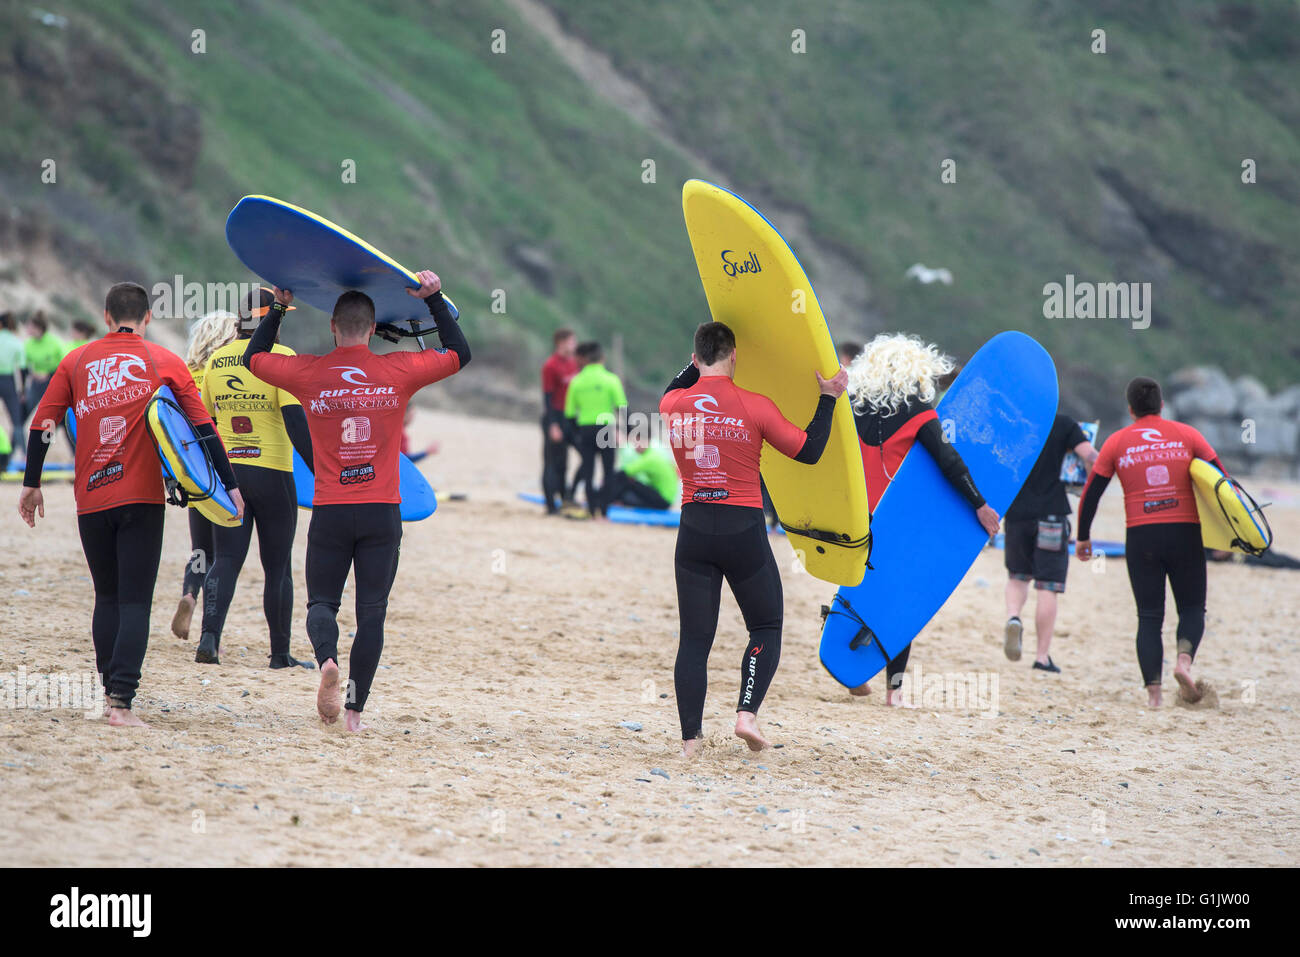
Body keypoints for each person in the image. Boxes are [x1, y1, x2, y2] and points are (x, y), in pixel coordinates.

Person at [244, 271, 469, 731]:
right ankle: (353, 712)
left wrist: (280, 308)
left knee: (321, 605)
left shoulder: (308, 372)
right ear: (371, 329)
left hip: (330, 510)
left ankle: (327, 659)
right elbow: (458, 354)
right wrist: (434, 299)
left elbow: (255, 358)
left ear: (333, 326)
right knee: (372, 615)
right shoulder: (397, 370)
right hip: (381, 512)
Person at [17, 282, 244, 728]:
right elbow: (201, 430)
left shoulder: (76, 360)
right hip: (141, 499)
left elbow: (42, 425)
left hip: (91, 499)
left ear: (105, 316)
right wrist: (228, 486)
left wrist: (32, 483)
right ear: (147, 318)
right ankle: (121, 703)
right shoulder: (164, 361)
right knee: (136, 601)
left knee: (108, 595)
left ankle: (108, 693)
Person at [662, 321, 847, 756]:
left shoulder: (671, 404)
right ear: (735, 356)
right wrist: (828, 397)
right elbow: (809, 449)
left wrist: (698, 361)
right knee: (766, 625)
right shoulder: (755, 406)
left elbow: (683, 377)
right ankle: (746, 714)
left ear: (694, 358)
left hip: (693, 530)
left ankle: (690, 742)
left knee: (694, 640)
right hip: (742, 528)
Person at [842, 333, 999, 703]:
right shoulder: (919, 414)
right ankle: (893, 691)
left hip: (856, 516)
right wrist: (979, 503)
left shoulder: (851, 409)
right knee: (902, 604)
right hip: (899, 520)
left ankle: (849, 668)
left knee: (856, 592)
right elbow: (948, 461)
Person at [1076, 377, 1223, 708]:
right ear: (1162, 405)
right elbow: (1223, 487)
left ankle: (1154, 696)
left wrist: (1083, 537)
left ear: (1130, 410)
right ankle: (1183, 663)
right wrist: (1229, 538)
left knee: (1149, 616)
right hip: (1185, 532)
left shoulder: (1116, 443)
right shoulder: (1188, 435)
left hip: (1141, 536)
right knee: (1191, 607)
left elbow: (1091, 493)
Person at [194, 289, 316, 669]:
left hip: (230, 475)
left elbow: (205, 421)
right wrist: (322, 472)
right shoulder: (282, 359)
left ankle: (209, 639)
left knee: (226, 558)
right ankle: (280, 654)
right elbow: (296, 422)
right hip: (273, 473)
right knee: (277, 565)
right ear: (270, 319)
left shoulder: (215, 361)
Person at [1002, 413, 1098, 672]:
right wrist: (1086, 487)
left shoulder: (1012, 421)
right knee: (1047, 586)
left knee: (1017, 576)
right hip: (1052, 515)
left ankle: (1013, 617)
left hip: (1016, 514)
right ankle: (1042, 657)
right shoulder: (1063, 424)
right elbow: (1091, 456)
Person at [169, 310, 242, 642]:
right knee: (223, 554)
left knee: (200, 549)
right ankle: (209, 636)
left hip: (193, 470)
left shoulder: (185, 375)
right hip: (226, 468)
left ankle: (189, 593)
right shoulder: (226, 372)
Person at [565, 341, 626, 518]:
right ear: (602, 358)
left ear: (586, 360)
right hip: (606, 428)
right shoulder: (611, 380)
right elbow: (622, 409)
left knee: (588, 472)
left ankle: (592, 511)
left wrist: (577, 434)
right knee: (608, 472)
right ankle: (604, 513)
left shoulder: (575, 382)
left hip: (585, 429)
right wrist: (630, 430)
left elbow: (569, 415)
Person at [540, 328, 578, 514]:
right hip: (553, 416)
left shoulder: (574, 363)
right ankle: (549, 505)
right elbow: (547, 397)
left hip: (569, 417)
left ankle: (565, 499)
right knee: (551, 462)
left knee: (564, 462)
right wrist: (553, 425)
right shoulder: (551, 365)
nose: (575, 345)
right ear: (561, 343)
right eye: (572, 342)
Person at [607, 437, 679, 510]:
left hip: (664, 500)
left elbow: (624, 472)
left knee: (628, 481)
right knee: (630, 482)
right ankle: (614, 499)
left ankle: (608, 499)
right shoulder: (653, 453)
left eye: (638, 443)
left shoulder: (649, 458)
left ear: (647, 443)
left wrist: (606, 481)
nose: (635, 446)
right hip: (667, 497)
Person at [23, 313, 65, 426]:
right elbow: (25, 367)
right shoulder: (28, 344)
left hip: (53, 382)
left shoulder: (54, 343)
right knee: (23, 414)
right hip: (36, 383)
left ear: (39, 328)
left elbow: (64, 365)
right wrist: (33, 373)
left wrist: (48, 375)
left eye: (30, 326)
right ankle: (16, 441)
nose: (28, 328)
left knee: (55, 417)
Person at [0, 312, 26, 459]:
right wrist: (22, 391)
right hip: (8, 381)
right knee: (16, 420)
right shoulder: (16, 341)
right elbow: (22, 369)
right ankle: (23, 455)